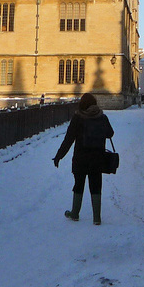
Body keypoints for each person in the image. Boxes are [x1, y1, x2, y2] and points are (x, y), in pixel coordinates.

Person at [53, 92, 114, 225]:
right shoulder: (102, 117)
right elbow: (110, 133)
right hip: (97, 158)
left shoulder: (78, 118)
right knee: (96, 186)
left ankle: (75, 213)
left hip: (80, 158)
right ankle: (97, 218)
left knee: (78, 185)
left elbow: (68, 140)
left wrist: (59, 156)